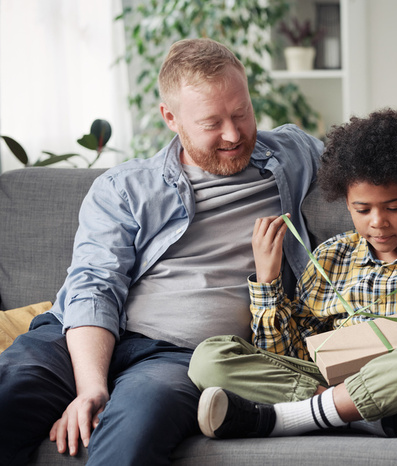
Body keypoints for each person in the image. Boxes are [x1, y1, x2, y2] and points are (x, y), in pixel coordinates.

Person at [0, 38, 322, 466]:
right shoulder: (125, 187)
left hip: (180, 358)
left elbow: (389, 162)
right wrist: (91, 386)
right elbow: (94, 288)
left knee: (131, 437)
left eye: (242, 113)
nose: (233, 134)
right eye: (212, 123)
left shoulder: (292, 154)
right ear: (170, 117)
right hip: (71, 339)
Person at [187, 108, 397, 440]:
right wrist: (267, 280)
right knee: (208, 358)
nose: (378, 222)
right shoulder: (331, 257)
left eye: (394, 208)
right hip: (332, 380)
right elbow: (289, 354)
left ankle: (305, 416)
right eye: (362, 209)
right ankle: (367, 419)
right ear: (346, 202)